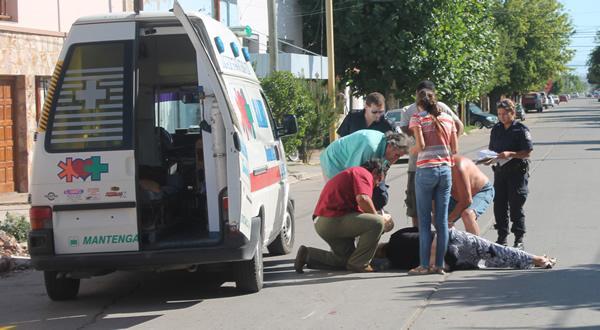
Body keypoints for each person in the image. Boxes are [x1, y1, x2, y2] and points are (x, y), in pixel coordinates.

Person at [294, 160, 395, 273]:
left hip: (323, 222)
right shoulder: (363, 173)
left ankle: (308, 254)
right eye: (379, 180)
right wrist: (380, 218)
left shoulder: (353, 174)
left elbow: (360, 210)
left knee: (346, 259)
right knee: (377, 223)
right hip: (332, 220)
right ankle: (359, 264)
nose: (377, 184)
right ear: (375, 172)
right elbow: (363, 199)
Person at [408, 88, 458, 275]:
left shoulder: (418, 118)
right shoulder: (448, 119)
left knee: (424, 220)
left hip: (426, 171)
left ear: (418, 103)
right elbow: (455, 148)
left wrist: (409, 150)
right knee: (442, 221)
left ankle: (423, 265)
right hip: (445, 171)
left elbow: (420, 146)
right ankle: (439, 265)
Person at [400, 81, 464, 227]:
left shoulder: (440, 107)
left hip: (432, 165)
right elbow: (404, 131)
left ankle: (428, 243)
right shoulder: (408, 111)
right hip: (418, 166)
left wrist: (445, 144)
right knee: (417, 210)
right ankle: (424, 241)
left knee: (435, 211)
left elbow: (459, 125)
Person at [376, 227, 556, 271]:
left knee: (488, 263)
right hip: (447, 238)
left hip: (447, 259)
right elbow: (423, 228)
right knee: (494, 249)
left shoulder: (395, 262)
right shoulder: (396, 236)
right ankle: (535, 259)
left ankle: (531, 263)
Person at [320, 130, 409, 210]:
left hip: (349, 160)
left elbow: (378, 179)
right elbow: (354, 174)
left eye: (399, 157)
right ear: (390, 146)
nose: (396, 159)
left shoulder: (385, 146)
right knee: (344, 198)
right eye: (396, 155)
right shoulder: (370, 147)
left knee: (380, 196)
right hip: (334, 161)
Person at [489, 99, 533, 249]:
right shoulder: (496, 129)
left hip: (516, 174)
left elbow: (527, 152)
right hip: (500, 173)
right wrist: (489, 158)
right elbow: (492, 150)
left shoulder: (521, 129)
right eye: (499, 114)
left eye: (505, 114)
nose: (502, 117)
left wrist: (511, 154)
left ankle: (518, 238)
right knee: (499, 206)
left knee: (516, 206)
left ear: (512, 113)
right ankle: (502, 238)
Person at [448, 155, 495, 236]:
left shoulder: (458, 166)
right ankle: (452, 241)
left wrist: (449, 220)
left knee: (467, 215)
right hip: (458, 197)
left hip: (481, 191)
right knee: (439, 219)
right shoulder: (430, 169)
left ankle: (476, 247)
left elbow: (466, 201)